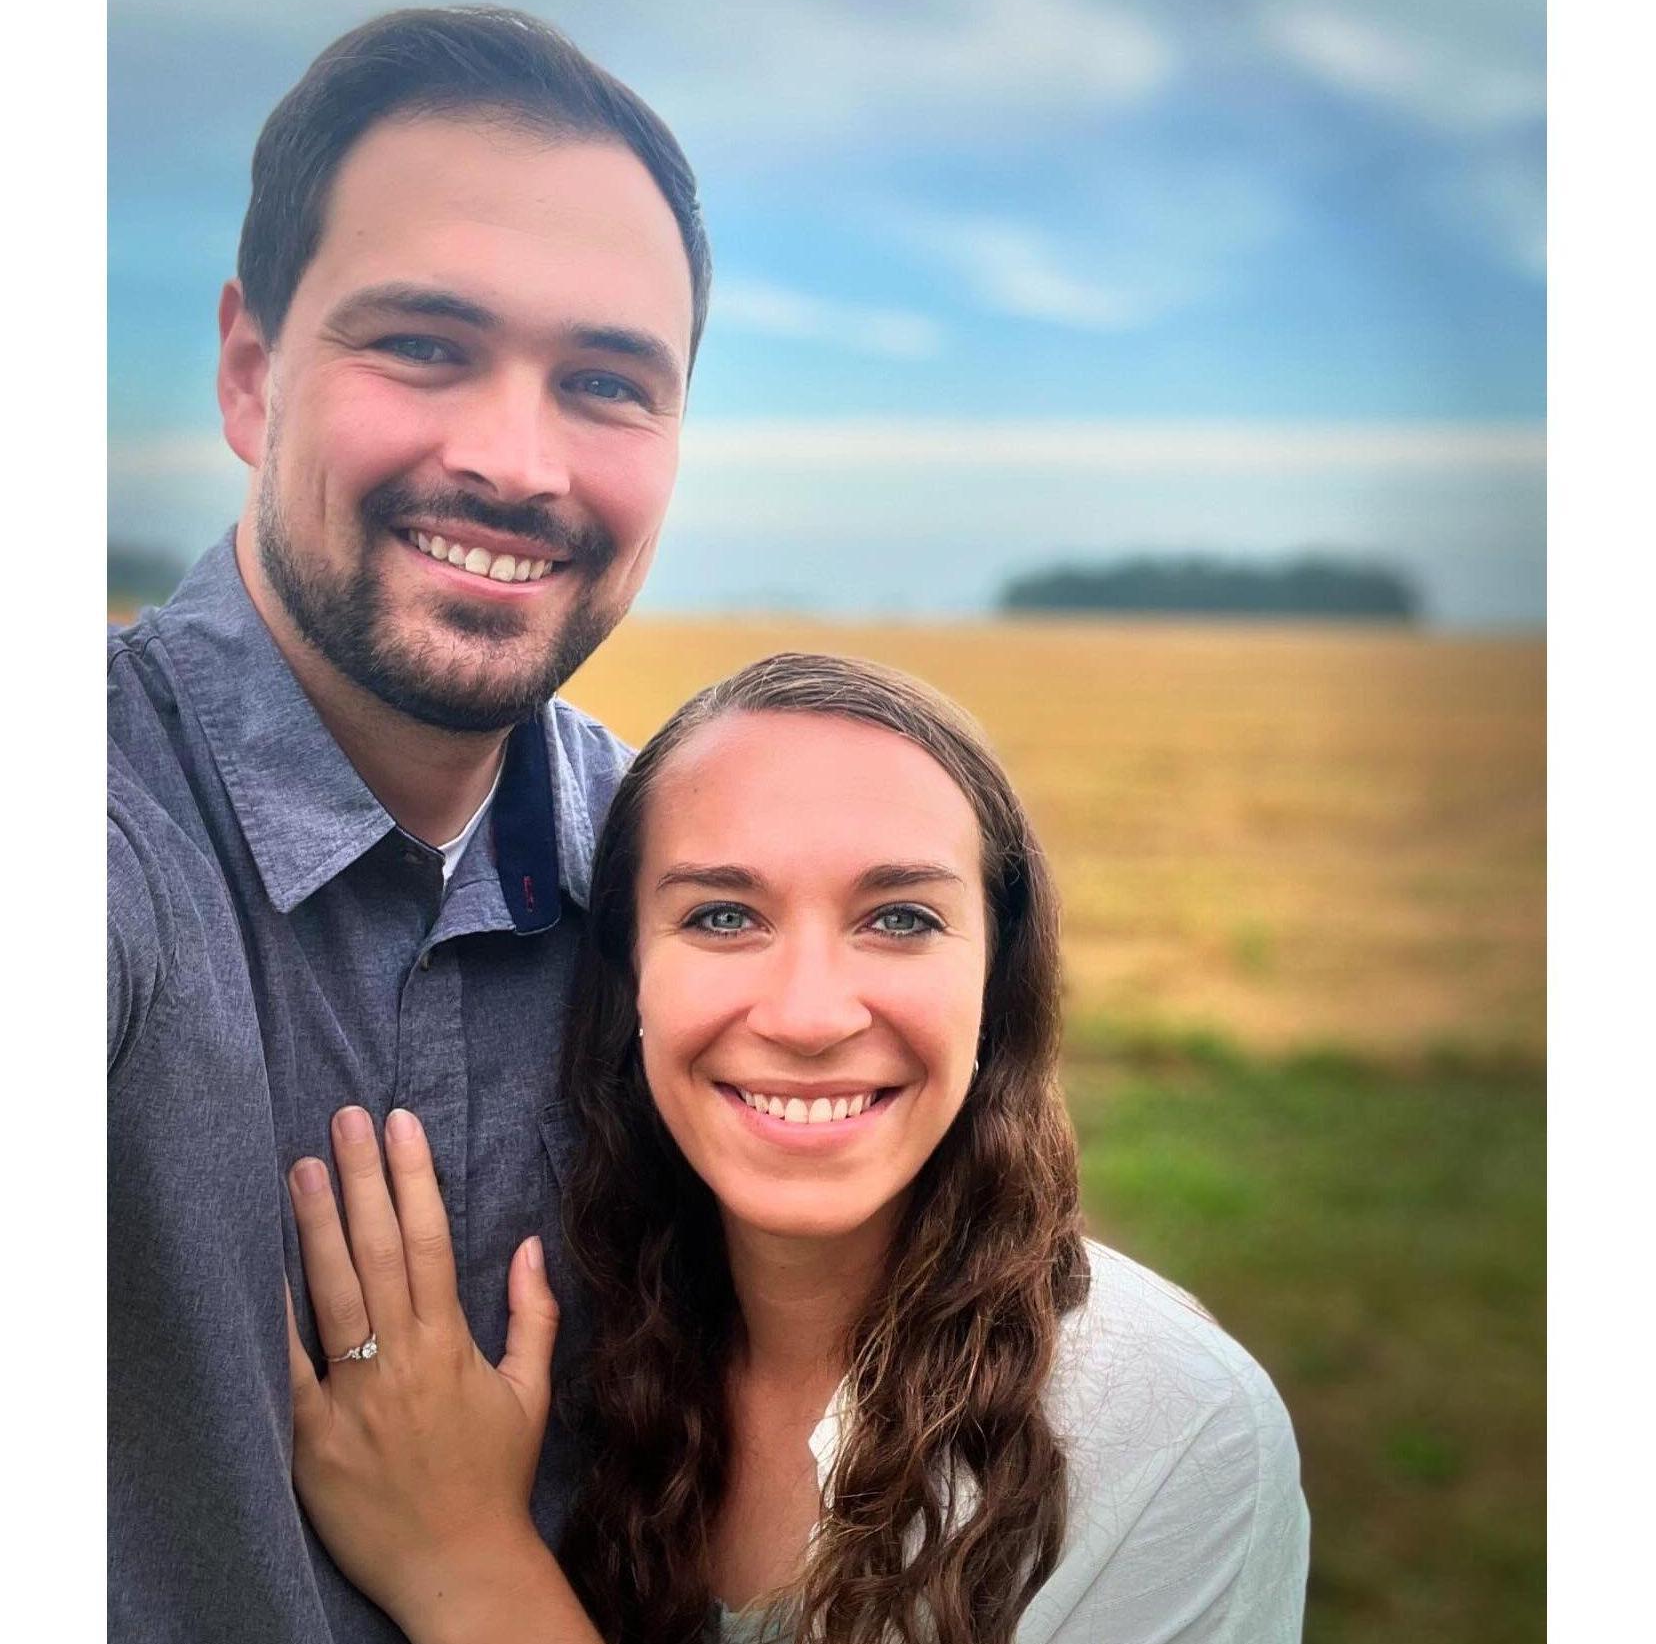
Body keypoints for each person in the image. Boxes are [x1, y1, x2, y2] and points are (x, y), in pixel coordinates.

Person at [278, 654, 1311, 1644]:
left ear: (996, 977)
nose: (809, 1017)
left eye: (899, 918)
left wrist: (468, 1563)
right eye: (724, 915)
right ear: (629, 979)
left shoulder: (1170, 1426)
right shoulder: (602, 1339)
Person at [107, 6, 709, 1639]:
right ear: (251, 374)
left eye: (606, 383)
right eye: (425, 345)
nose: (515, 462)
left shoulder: (684, 888)